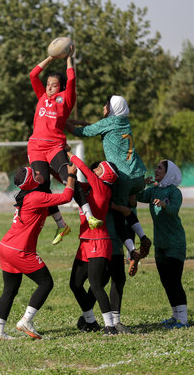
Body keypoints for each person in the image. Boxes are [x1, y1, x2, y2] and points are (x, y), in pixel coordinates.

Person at [0, 163, 78, 341]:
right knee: (46, 283)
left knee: (10, 289)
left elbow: (39, 213)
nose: (39, 173)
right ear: (31, 180)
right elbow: (67, 196)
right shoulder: (36, 196)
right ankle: (26, 321)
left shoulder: (26, 196)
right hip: (20, 250)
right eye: (35, 173)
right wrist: (71, 175)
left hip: (6, 247)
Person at [67, 95, 152, 275]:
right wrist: (80, 121)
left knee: (115, 215)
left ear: (111, 107)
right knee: (129, 209)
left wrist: (58, 121)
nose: (103, 108)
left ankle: (119, 253)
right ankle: (141, 237)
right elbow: (93, 126)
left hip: (123, 178)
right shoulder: (123, 121)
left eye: (105, 105)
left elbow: (80, 132)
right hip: (137, 175)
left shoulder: (109, 122)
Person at [28, 47, 101, 246]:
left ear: (60, 88)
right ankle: (61, 225)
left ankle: (89, 215)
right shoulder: (42, 96)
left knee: (68, 176)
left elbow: (71, 80)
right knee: (42, 187)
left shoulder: (65, 100)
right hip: (35, 147)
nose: (50, 87)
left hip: (54, 147)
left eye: (54, 85)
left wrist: (69, 58)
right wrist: (51, 57)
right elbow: (33, 74)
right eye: (48, 84)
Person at [65, 152, 121, 335]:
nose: (95, 169)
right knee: (75, 284)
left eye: (99, 168)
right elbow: (68, 179)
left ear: (105, 174)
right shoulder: (89, 187)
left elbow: (84, 169)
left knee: (96, 285)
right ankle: (90, 321)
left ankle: (110, 326)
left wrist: (67, 152)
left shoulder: (102, 188)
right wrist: (53, 166)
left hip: (98, 241)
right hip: (85, 242)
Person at [136, 160, 189, 329]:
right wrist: (141, 184)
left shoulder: (175, 192)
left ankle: (183, 320)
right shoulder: (153, 191)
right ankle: (175, 317)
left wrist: (164, 204)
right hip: (160, 244)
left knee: (174, 281)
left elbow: (173, 210)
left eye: (160, 167)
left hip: (175, 242)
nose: (156, 169)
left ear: (169, 172)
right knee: (166, 281)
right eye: (156, 166)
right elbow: (136, 196)